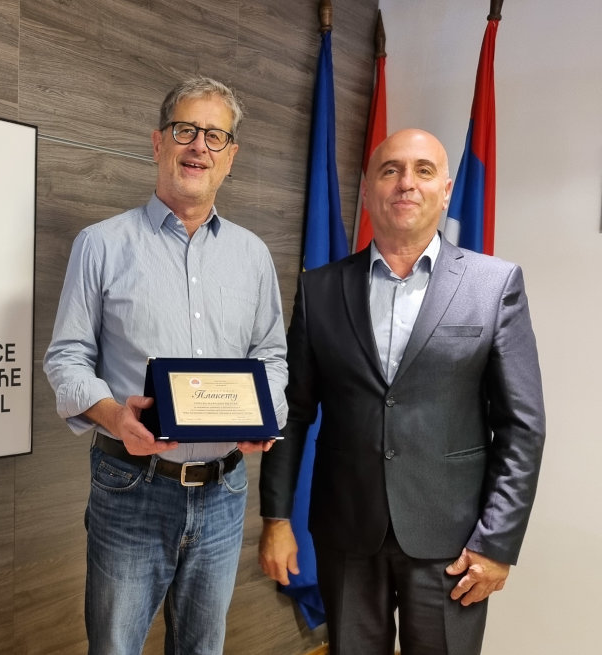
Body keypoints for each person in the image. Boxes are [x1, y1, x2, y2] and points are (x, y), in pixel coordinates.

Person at [258, 128, 546, 654]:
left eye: (423, 170)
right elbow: (292, 413)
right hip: (346, 531)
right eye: (390, 170)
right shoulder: (320, 288)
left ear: (446, 190)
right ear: (369, 188)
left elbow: (521, 427)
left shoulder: (494, 284)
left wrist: (497, 542)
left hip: (453, 542)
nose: (406, 183)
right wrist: (275, 517)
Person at [43, 77, 288, 655]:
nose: (199, 145)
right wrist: (112, 414)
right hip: (131, 485)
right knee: (115, 647)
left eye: (215, 136)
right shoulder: (101, 244)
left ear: (231, 156)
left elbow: (271, 356)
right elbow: (66, 356)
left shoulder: (253, 256)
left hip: (225, 489)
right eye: (185, 130)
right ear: (158, 143)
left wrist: (264, 414)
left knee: (202, 648)